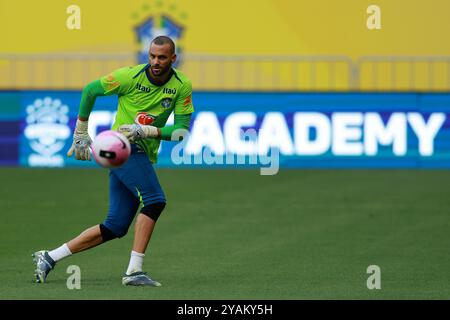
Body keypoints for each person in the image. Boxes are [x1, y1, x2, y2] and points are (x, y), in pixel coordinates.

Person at [32, 36, 194, 287]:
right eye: (152, 56)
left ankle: (50, 257)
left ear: (174, 58)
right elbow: (91, 90)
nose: (155, 61)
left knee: (115, 226)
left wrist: (148, 131)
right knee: (155, 201)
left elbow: (182, 130)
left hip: (141, 149)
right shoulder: (129, 76)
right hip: (122, 147)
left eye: (162, 57)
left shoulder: (182, 85)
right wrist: (81, 132)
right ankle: (133, 272)